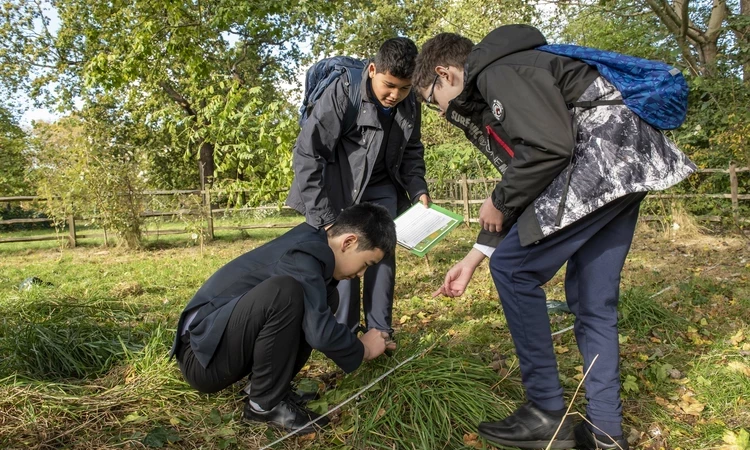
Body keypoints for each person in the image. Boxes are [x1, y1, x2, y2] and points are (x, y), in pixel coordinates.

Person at [413, 25, 695, 449]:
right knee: (592, 300)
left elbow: (548, 150)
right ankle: (605, 432)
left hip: (601, 160)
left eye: (432, 99)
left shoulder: (496, 71)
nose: (438, 112)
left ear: (445, 73)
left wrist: (499, 199)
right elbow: (531, 176)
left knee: (512, 270)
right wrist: (474, 256)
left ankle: (544, 410)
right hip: (628, 164)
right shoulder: (519, 69)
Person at [169, 203, 398, 434]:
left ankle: (265, 389)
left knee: (324, 297)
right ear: (348, 242)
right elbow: (320, 333)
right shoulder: (303, 255)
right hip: (201, 358)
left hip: (221, 346)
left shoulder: (315, 246)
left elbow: (315, 322)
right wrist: (363, 349)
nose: (361, 274)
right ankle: (263, 406)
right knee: (285, 292)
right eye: (366, 264)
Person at [286, 37, 430, 341]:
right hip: (340, 187)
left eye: (404, 88)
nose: (395, 95)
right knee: (346, 257)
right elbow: (307, 154)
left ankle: (380, 331)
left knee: (382, 253)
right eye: (389, 85)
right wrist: (325, 218)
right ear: (373, 70)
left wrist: (418, 190)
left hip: (382, 187)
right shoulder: (342, 91)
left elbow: (412, 149)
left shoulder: (410, 101)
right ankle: (346, 336)